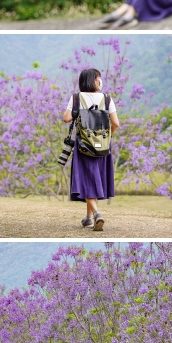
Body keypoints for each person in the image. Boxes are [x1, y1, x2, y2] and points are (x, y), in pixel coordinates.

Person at [62, 68, 119, 230]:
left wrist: (79, 111)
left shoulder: (76, 98)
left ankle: (96, 214)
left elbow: (66, 118)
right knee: (94, 178)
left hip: (84, 146)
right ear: (94, 80)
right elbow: (116, 124)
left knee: (87, 179)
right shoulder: (107, 99)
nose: (100, 81)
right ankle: (88, 218)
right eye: (98, 78)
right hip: (103, 146)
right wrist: (107, 137)